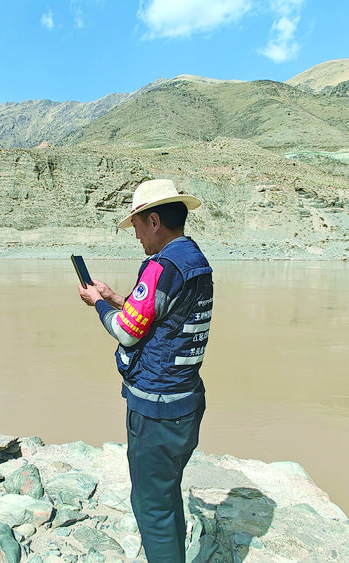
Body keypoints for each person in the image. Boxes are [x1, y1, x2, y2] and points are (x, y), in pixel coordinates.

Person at [78, 178, 213, 563]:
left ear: (154, 221)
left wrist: (97, 305)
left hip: (157, 408)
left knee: (151, 506)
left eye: (136, 225)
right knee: (166, 494)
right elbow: (160, 314)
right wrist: (114, 297)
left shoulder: (161, 266)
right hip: (186, 402)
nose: (136, 235)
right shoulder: (193, 259)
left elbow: (127, 330)